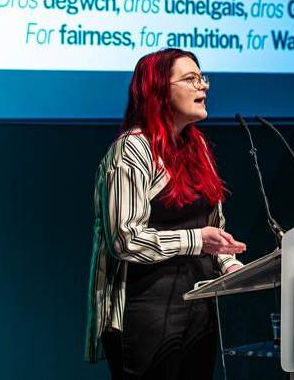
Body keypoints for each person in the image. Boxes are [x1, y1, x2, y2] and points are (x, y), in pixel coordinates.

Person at [85, 49, 247, 379]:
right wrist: (196, 240)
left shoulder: (197, 147)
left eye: (203, 78)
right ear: (158, 90)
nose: (203, 87)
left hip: (199, 304)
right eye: (191, 79)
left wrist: (229, 262)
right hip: (147, 309)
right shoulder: (132, 149)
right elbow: (126, 241)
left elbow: (212, 229)